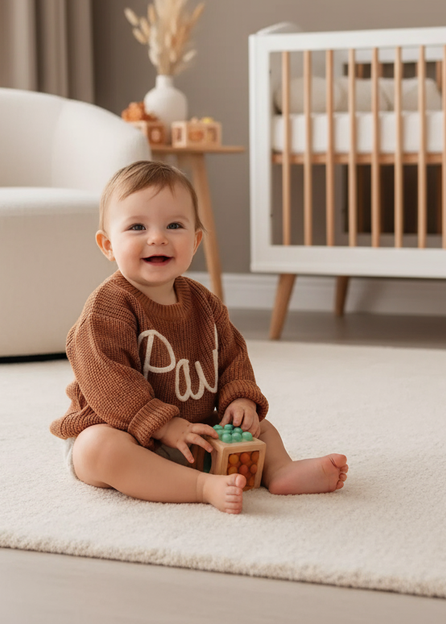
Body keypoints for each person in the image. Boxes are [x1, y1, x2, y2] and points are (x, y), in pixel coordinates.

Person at [50, 161, 348, 514]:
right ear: (108, 245)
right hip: (124, 431)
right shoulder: (107, 307)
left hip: (194, 431)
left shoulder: (205, 304)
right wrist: (164, 425)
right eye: (137, 227)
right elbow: (108, 383)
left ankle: (280, 470)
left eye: (174, 225)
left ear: (195, 241)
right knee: (97, 447)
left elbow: (233, 358)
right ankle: (199, 486)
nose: (157, 237)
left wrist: (241, 401)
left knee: (257, 426)